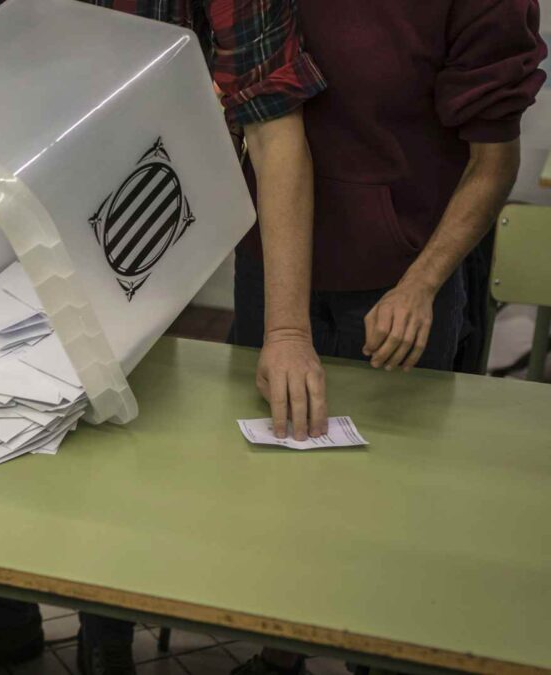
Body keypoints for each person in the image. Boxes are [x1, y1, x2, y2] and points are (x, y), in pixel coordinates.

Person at [0, 1, 327, 673]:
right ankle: (3, 611)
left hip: (143, 202)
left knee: (117, 436)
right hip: (7, 189)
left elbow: (274, 126)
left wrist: (287, 328)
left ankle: (106, 636)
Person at [226, 1, 544, 672]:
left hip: (400, 282)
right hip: (275, 267)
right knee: (269, 483)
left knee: (392, 504)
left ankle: (383, 654)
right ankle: (275, 650)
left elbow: (492, 164)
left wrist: (420, 283)